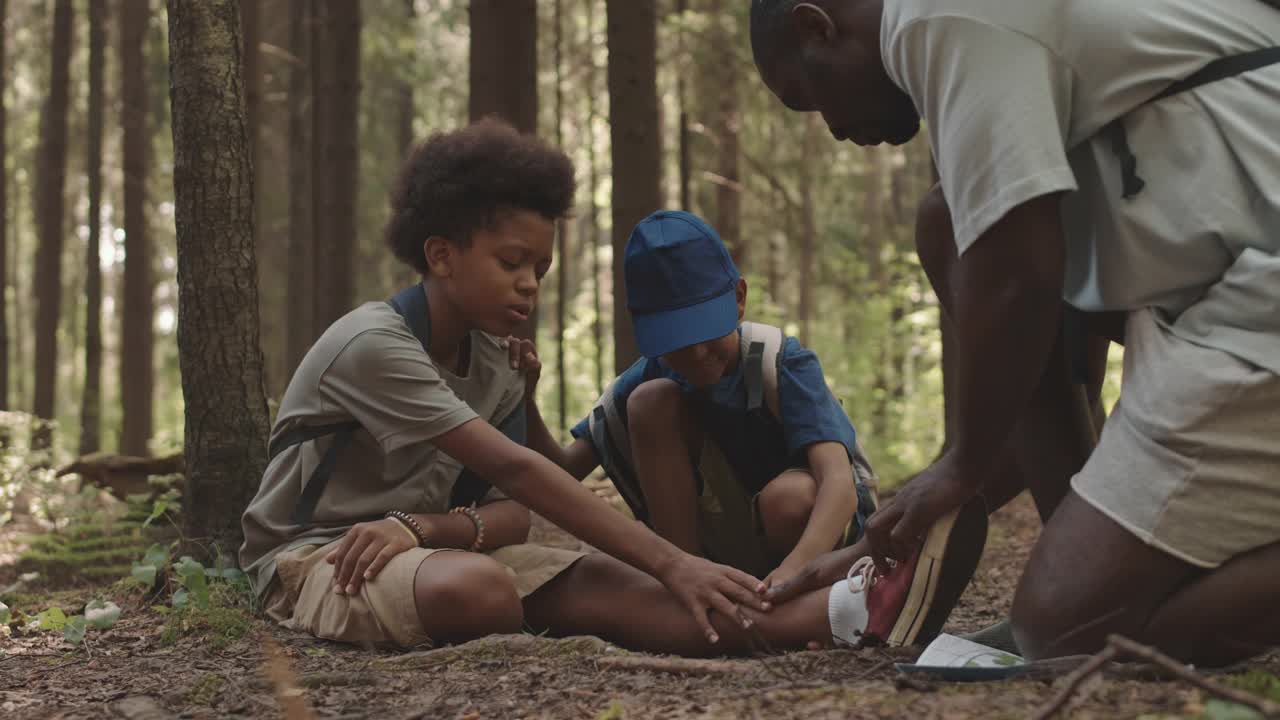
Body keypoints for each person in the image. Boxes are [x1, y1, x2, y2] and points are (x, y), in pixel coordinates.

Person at [237, 119, 906, 655]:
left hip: (427, 550)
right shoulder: (374, 344)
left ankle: (848, 610)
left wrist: (422, 527)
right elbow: (517, 469)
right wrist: (674, 559)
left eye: (542, 267)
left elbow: (512, 514)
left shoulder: (498, 364)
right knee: (483, 590)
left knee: (616, 587)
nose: (530, 283)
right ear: (441, 255)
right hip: (318, 559)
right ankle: (819, 605)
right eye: (511, 262)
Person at [748, 0, 1280, 665]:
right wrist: (899, 528)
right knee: (949, 222)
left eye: (811, 98)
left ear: (815, 26)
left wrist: (963, 463)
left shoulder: (937, 16)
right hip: (1223, 285)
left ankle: (1098, 594)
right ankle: (1098, 562)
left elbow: (1017, 277)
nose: (831, 128)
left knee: (1067, 631)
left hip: (1255, 298)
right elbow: (1017, 351)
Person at [528, 209, 878, 589]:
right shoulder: (650, 375)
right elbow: (560, 472)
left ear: (738, 299)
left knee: (789, 498)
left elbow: (838, 484)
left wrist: (797, 570)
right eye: (676, 339)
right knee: (649, 401)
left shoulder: (779, 361)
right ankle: (691, 579)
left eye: (704, 329)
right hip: (724, 551)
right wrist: (523, 398)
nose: (695, 354)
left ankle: (810, 596)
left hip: (816, 547)